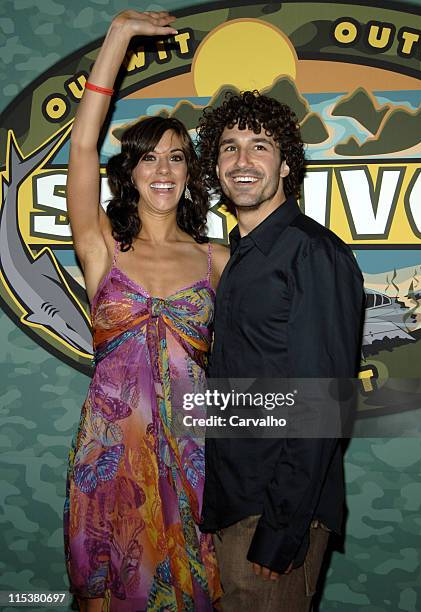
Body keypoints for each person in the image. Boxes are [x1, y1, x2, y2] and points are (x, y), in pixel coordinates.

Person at [63, 11, 228, 612]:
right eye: (150, 157)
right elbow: (82, 143)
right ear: (128, 171)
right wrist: (118, 36)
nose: (163, 169)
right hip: (109, 460)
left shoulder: (217, 261)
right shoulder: (101, 244)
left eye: (177, 158)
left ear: (191, 174)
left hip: (198, 458)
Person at [196, 91, 365, 611]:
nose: (242, 161)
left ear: (286, 163)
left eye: (260, 146)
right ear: (215, 166)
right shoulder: (240, 256)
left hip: (272, 515)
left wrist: (282, 528)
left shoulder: (311, 253)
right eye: (229, 147)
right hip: (231, 505)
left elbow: (323, 402)